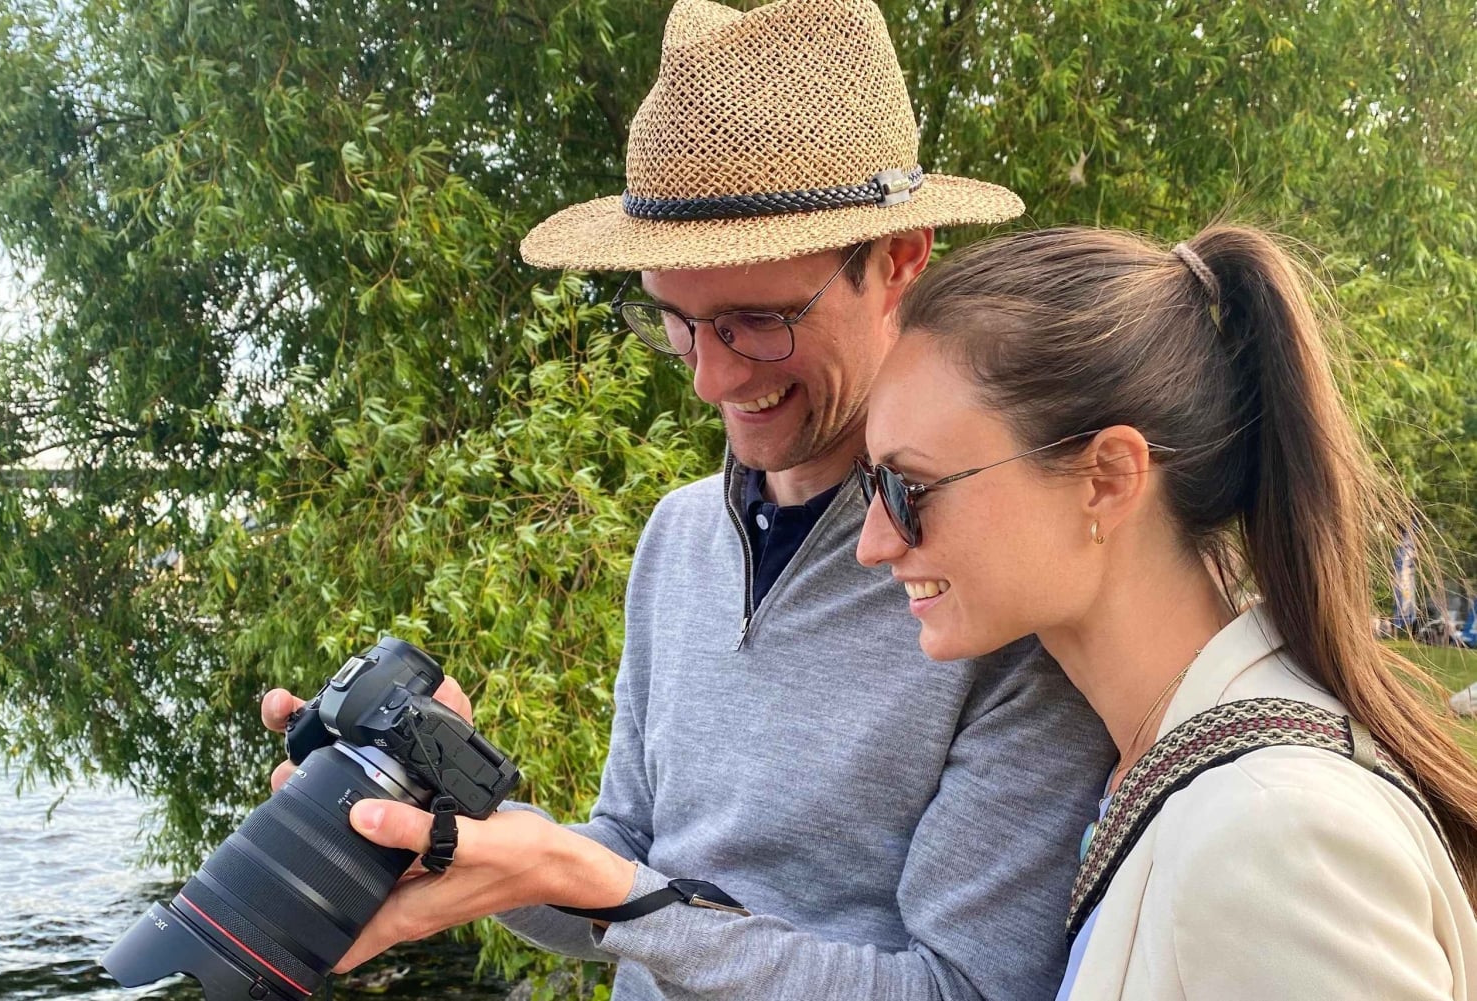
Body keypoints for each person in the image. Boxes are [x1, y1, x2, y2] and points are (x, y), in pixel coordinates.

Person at [262, 1, 1112, 998]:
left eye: (758, 319)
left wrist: (627, 901)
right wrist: (448, 832)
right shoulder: (677, 535)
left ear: (900, 259)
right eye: (675, 318)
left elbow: (964, 987)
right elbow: (626, 854)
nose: (711, 378)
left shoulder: (999, 577)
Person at [854, 224, 1477, 999]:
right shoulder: (1157, 766)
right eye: (872, 485)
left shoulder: (1271, 833)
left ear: (1108, 479)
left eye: (909, 489)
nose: (873, 543)